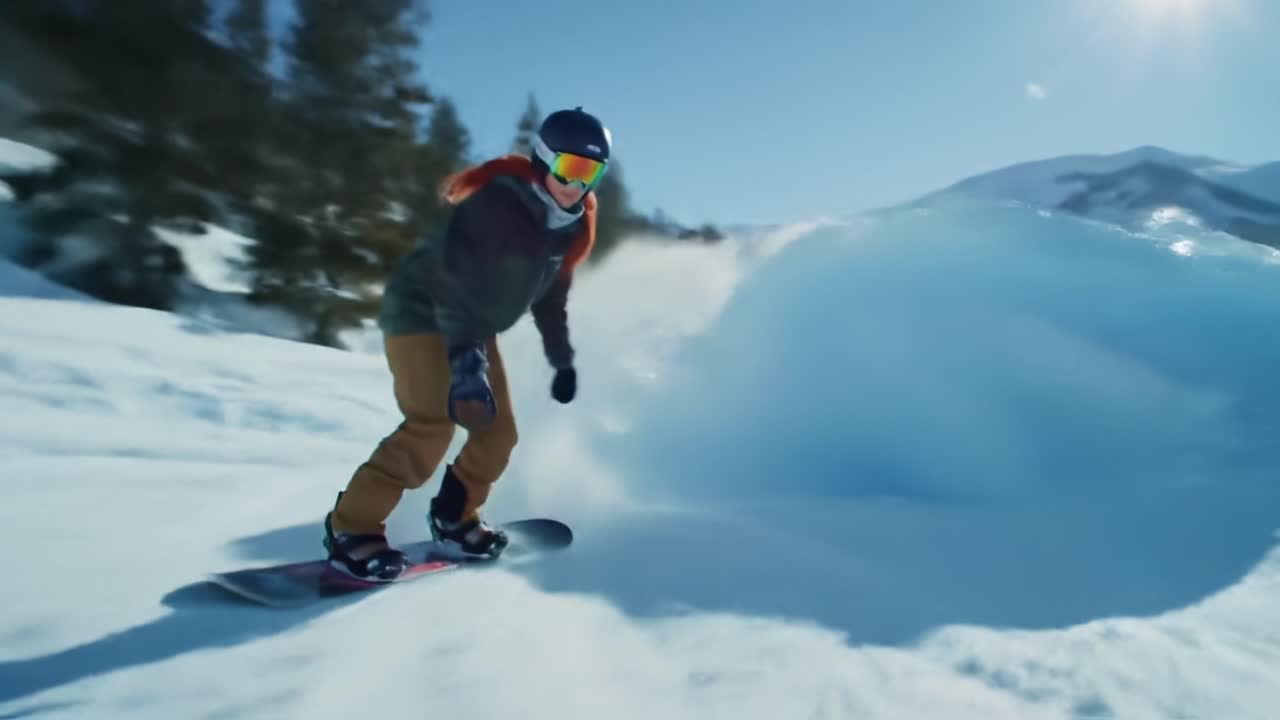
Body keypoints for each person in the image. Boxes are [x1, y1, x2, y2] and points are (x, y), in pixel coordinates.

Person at [320, 106, 612, 581]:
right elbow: (453, 284)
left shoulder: (571, 226)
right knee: (432, 423)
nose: (578, 184)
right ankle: (351, 529)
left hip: (474, 325)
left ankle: (454, 517)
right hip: (422, 312)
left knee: (498, 433)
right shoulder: (496, 206)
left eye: (591, 172)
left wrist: (562, 361)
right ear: (543, 158)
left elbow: (551, 297)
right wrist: (467, 364)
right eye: (571, 168)